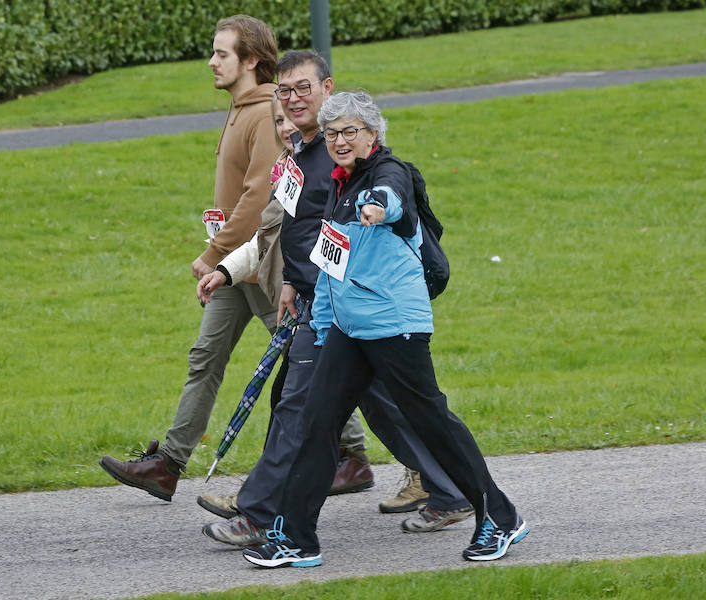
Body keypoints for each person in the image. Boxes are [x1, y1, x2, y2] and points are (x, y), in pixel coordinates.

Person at [240, 91, 529, 568]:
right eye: (332, 133)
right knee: (317, 424)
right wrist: (325, 324)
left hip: (397, 327)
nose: (339, 140)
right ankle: (296, 538)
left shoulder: (388, 173)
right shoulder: (339, 183)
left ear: (373, 134)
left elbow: (390, 199)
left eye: (350, 131)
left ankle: (498, 517)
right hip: (350, 332)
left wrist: (377, 207)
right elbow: (332, 265)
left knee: (432, 423)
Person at [200, 53, 475, 548]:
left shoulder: (344, 155)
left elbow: (387, 192)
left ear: (327, 88)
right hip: (326, 304)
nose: (292, 100)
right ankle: (450, 490)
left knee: (300, 407)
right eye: (284, 92)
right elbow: (289, 230)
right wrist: (275, 280)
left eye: (303, 88)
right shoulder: (300, 158)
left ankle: (262, 513)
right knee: (385, 405)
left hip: (357, 307)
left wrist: (373, 214)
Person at [98, 15, 281, 501]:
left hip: (259, 262)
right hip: (233, 267)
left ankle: (351, 456)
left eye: (222, 54)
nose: (212, 62)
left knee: (310, 358)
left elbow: (259, 194)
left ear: (251, 61)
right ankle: (168, 465)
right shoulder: (240, 107)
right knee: (205, 356)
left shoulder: (265, 112)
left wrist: (215, 253)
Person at [194, 97, 374, 519]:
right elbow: (272, 236)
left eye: (291, 116)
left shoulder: (331, 169)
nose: (285, 126)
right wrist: (227, 270)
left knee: (393, 405)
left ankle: (438, 480)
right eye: (277, 120)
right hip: (316, 310)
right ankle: (266, 503)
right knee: (292, 402)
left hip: (351, 312)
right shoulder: (292, 167)